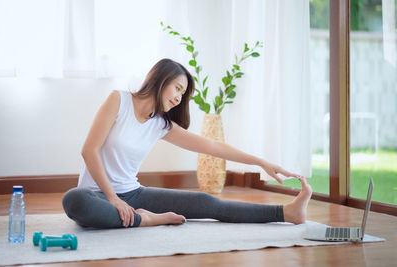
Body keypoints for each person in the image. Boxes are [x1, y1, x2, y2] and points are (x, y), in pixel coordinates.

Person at [62, 58, 312, 229]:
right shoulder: (118, 100)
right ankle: (147, 221)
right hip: (96, 195)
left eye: (183, 94)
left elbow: (212, 147)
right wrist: (113, 199)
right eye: (178, 88)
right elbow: (89, 150)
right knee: (74, 201)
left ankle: (286, 213)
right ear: (160, 79)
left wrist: (261, 162)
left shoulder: (160, 124)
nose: (179, 98)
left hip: (135, 193)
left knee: (207, 203)